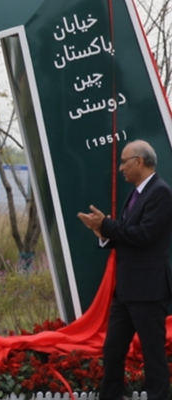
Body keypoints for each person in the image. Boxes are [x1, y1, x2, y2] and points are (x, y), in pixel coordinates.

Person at [77, 140, 172, 400]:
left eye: (123, 162)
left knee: (153, 355)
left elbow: (144, 235)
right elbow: (128, 235)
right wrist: (102, 231)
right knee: (113, 350)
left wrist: (107, 224)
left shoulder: (161, 192)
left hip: (149, 291)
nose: (120, 168)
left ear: (139, 162)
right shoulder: (137, 193)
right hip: (127, 291)